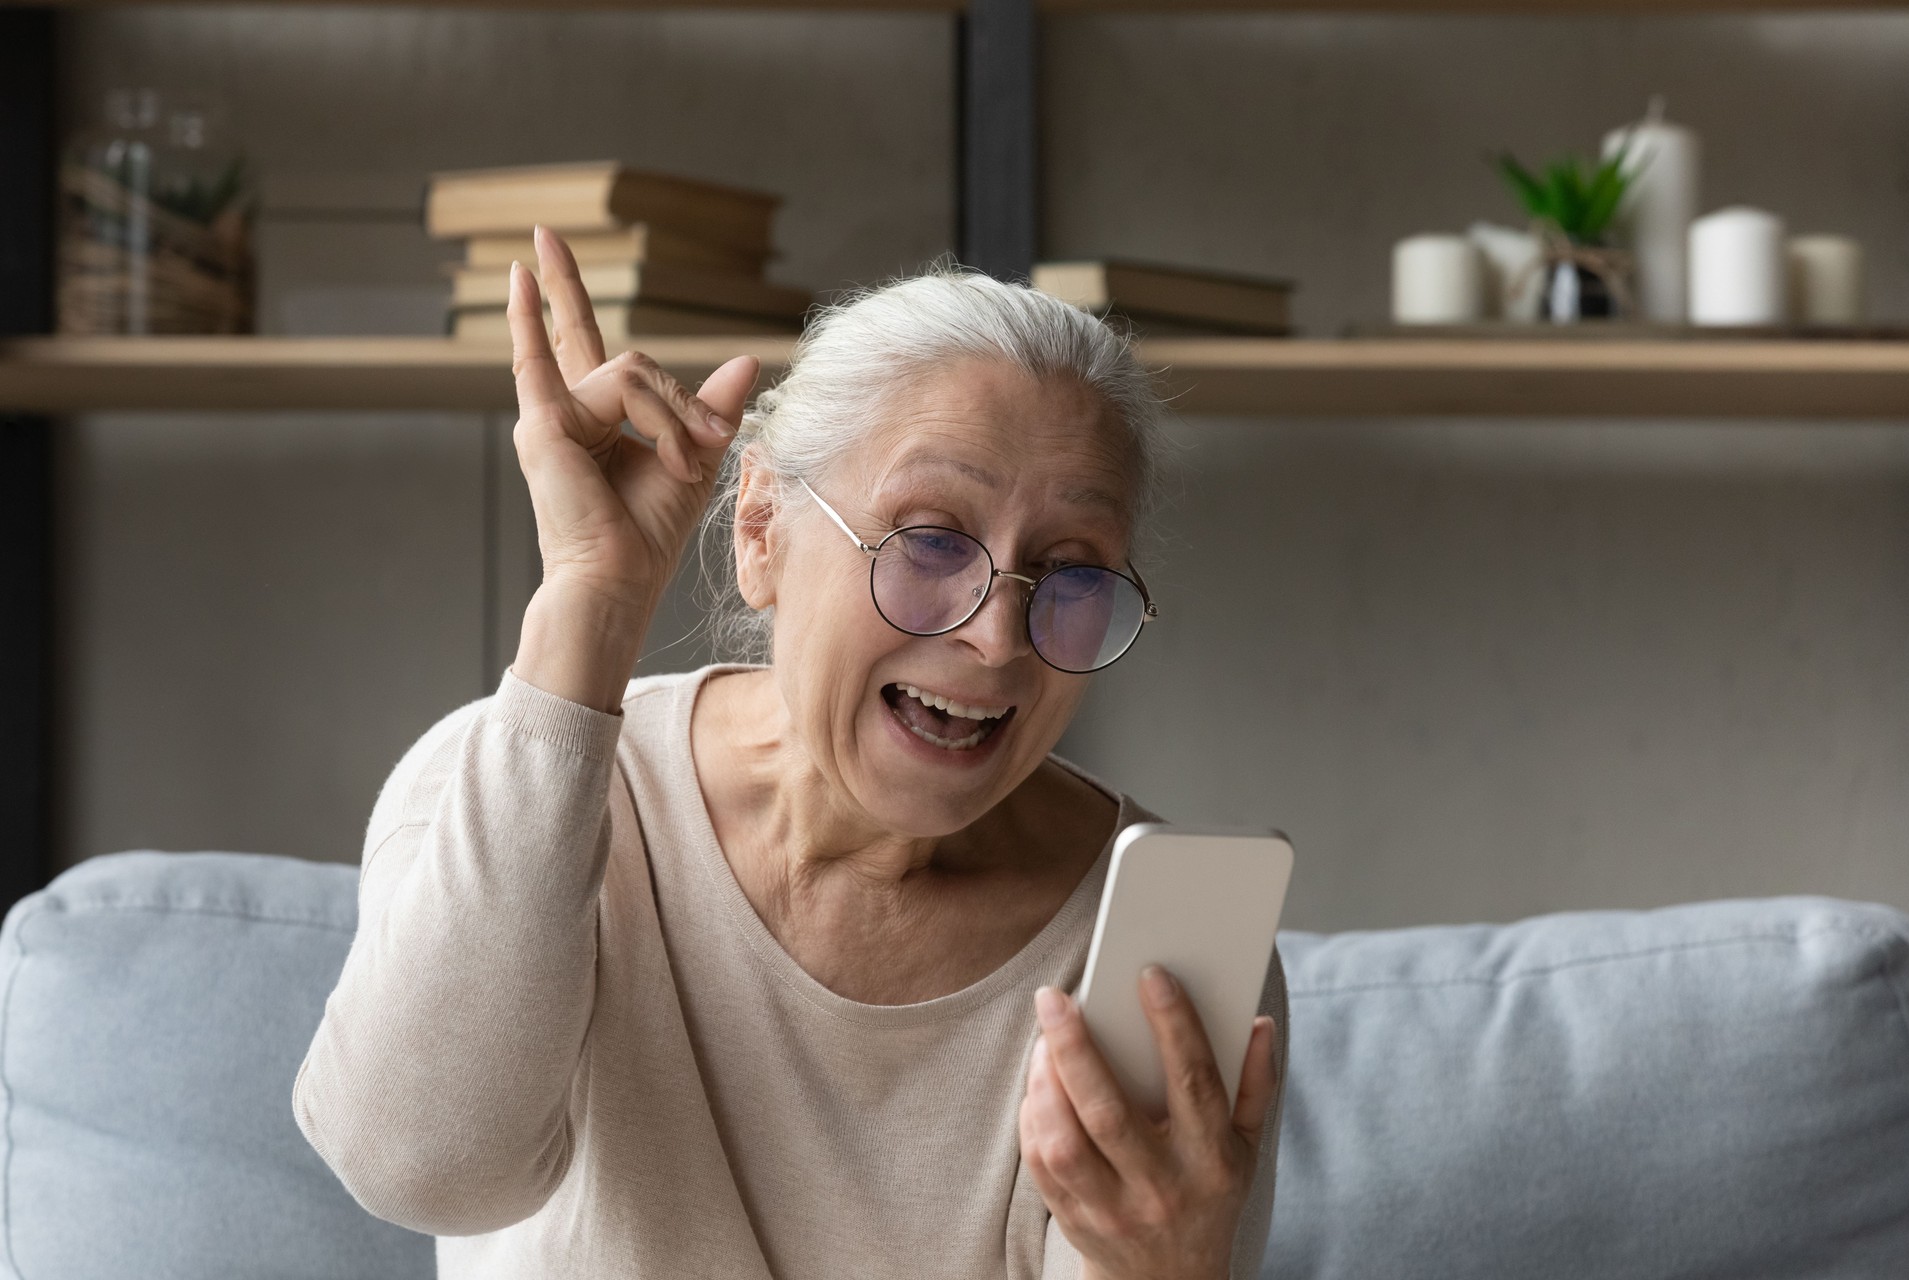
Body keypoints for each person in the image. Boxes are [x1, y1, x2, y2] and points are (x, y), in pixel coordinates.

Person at [293, 227, 1287, 1280]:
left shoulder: (1163, 948)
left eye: (1073, 572)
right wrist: (592, 595)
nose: (998, 636)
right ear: (761, 525)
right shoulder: (517, 786)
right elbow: (422, 1171)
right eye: (931, 541)